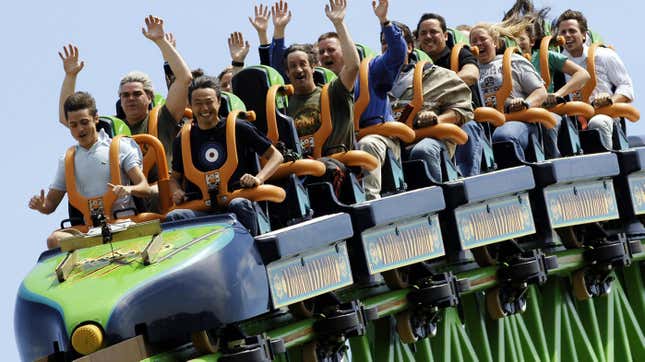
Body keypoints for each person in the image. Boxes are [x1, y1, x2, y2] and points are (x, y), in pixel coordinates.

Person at [57, 15, 193, 167]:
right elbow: (66, 117)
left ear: (149, 97)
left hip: (161, 187)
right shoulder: (109, 127)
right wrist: (70, 76)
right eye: (125, 95)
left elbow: (184, 79)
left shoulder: (164, 117)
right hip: (123, 189)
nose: (130, 98)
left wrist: (161, 41)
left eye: (137, 94)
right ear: (120, 100)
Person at [29, 92, 153, 249]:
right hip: (90, 230)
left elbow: (145, 188)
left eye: (84, 122)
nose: (80, 129)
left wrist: (128, 189)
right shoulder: (68, 159)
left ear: (96, 119)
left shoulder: (119, 147)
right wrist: (41, 205)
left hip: (122, 223)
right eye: (73, 125)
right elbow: (50, 204)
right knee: (53, 240)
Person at [166, 76, 283, 236]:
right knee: (174, 217)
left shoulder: (238, 127)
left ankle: (250, 252)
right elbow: (175, 178)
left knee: (238, 204)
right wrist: (177, 192)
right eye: (198, 104)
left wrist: (258, 179)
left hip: (237, 200)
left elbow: (276, 156)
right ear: (190, 105)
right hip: (204, 210)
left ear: (219, 101)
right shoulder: (183, 138)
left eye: (209, 102)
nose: (204, 108)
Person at [388, 22, 473, 181]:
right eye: (384, 42)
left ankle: (438, 202)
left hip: (429, 139)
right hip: (391, 142)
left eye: (395, 41)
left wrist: (436, 119)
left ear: (409, 47)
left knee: (423, 150)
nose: (389, 46)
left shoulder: (438, 76)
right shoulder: (373, 83)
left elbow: (462, 110)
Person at [507, 10, 590, 158]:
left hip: (548, 112)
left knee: (547, 123)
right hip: (519, 116)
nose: (517, 44)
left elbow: (583, 75)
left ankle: (552, 163)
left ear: (532, 41)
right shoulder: (507, 63)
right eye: (512, 39)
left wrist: (557, 95)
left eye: (521, 39)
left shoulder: (545, 56)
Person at [469, 21, 547, 162]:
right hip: (483, 125)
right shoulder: (471, 71)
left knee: (503, 136)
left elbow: (540, 91)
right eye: (474, 41)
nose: (478, 44)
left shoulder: (512, 61)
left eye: (482, 39)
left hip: (516, 121)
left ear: (495, 42)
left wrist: (525, 104)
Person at [556, 9, 634, 149]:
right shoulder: (558, 64)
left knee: (597, 123)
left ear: (584, 35)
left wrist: (610, 100)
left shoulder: (604, 55)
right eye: (563, 32)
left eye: (572, 31)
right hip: (573, 120)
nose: (567, 35)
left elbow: (626, 87)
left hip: (605, 115)